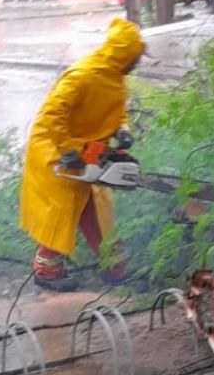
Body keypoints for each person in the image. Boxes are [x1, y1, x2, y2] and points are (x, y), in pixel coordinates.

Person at [19, 17, 145, 292]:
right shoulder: (83, 74)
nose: (137, 61)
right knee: (61, 211)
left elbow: (116, 110)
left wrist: (122, 129)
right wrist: (67, 150)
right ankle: (46, 271)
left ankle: (114, 267)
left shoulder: (115, 77)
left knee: (97, 206)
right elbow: (52, 114)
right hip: (53, 148)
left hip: (88, 148)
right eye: (135, 55)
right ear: (123, 54)